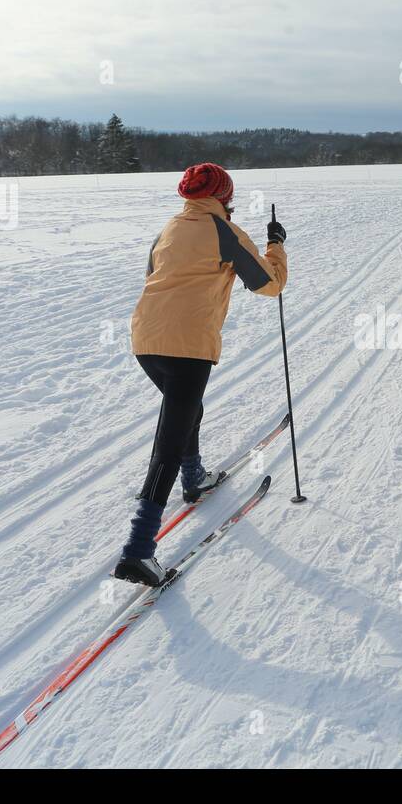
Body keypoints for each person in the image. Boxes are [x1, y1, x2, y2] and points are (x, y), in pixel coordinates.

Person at [114, 163, 288, 586]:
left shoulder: (169, 229)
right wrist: (276, 245)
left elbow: (154, 275)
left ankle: (194, 478)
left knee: (187, 410)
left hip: (145, 341)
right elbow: (269, 284)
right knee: (168, 444)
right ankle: (138, 550)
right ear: (223, 196)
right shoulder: (221, 230)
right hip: (187, 346)